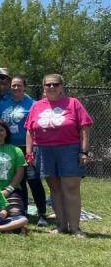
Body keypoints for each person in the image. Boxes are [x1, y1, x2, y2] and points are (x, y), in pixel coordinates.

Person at [25, 74, 93, 237]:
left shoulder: (73, 103)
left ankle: (75, 228)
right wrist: (29, 153)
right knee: (55, 189)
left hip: (69, 150)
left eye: (55, 84)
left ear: (62, 86)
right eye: (48, 85)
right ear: (43, 87)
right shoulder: (37, 106)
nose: (51, 87)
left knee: (71, 188)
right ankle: (62, 226)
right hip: (44, 150)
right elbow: (29, 130)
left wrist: (83, 151)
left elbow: (85, 128)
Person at [1, 76, 47, 226]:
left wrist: (31, 150)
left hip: (28, 148)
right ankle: (23, 211)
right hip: (10, 148)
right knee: (19, 182)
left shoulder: (33, 104)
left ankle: (42, 214)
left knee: (33, 180)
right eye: (13, 85)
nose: (15, 88)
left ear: (25, 86)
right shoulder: (4, 103)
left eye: (19, 85)